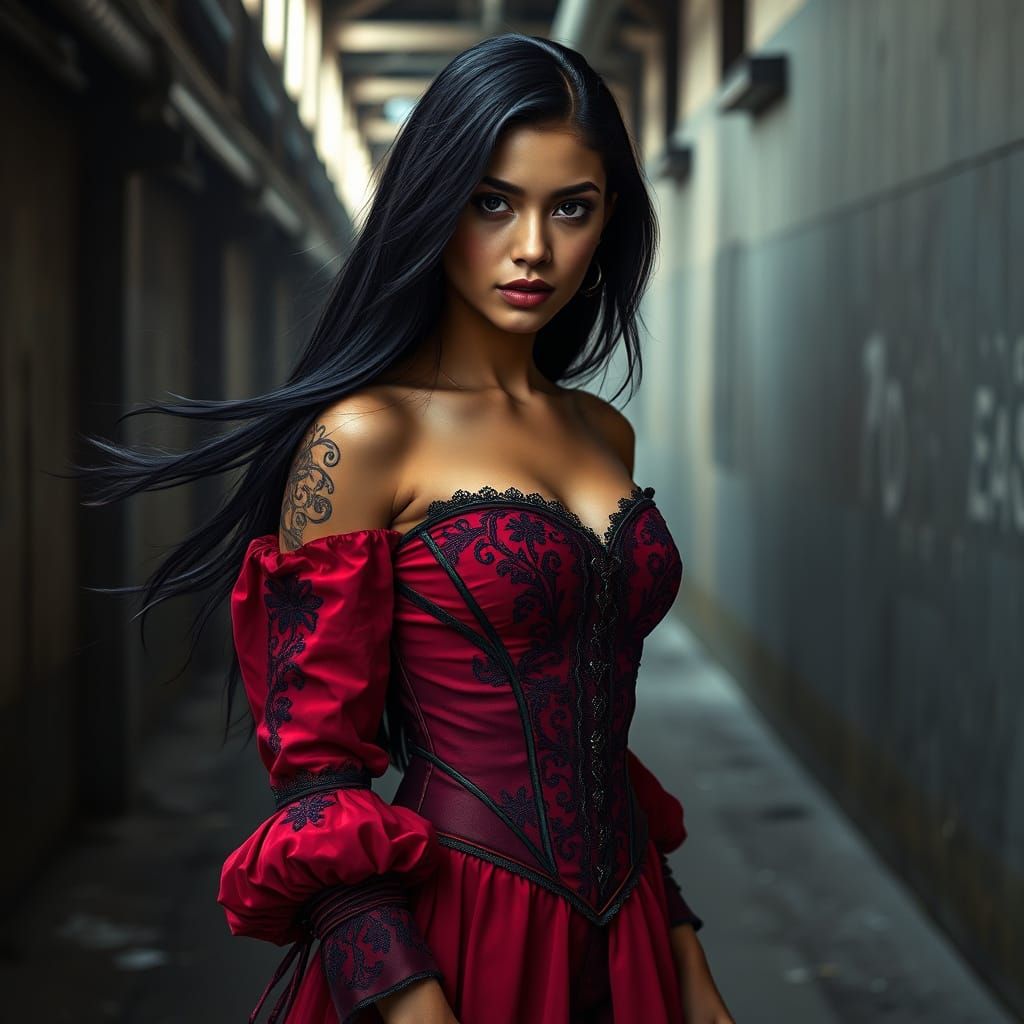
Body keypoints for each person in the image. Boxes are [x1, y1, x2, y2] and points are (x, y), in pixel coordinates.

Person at [81, 31, 733, 1024]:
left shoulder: (604, 433)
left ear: (608, 220)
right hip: (451, 941)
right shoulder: (362, 439)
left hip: (630, 925)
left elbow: (597, 733)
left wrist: (681, 945)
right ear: (434, 204)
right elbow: (314, 771)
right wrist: (407, 994)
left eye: (571, 208)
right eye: (492, 201)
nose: (532, 248)